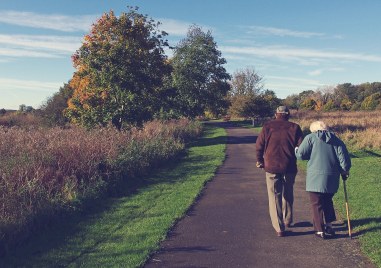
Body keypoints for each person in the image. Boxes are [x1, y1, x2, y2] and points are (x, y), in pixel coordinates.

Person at [295, 121, 351, 239]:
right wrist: (345, 171)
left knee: (316, 203)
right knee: (327, 201)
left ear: (313, 129)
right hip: (332, 177)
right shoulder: (336, 140)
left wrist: (296, 150)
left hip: (315, 178)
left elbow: (300, 155)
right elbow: (344, 160)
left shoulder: (310, 138)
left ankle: (319, 229)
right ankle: (329, 225)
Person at [256, 106, 303, 237]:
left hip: (271, 166)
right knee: (288, 193)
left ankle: (279, 227)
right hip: (289, 166)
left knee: (274, 195)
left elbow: (259, 145)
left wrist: (259, 160)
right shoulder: (295, 127)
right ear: (288, 114)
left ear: (276, 114)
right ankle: (288, 220)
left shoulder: (267, 126)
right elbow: (301, 147)